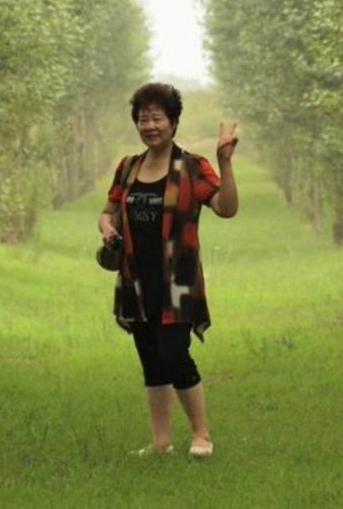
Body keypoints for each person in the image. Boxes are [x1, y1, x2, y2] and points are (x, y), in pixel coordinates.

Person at [97, 83, 239, 458]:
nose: (150, 125)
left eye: (157, 118)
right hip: (135, 279)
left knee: (175, 353)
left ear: (173, 123)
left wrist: (225, 162)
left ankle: (201, 434)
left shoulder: (192, 168)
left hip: (178, 281)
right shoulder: (128, 167)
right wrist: (107, 229)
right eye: (143, 118)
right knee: (150, 358)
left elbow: (226, 208)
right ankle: (161, 443)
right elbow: (108, 210)